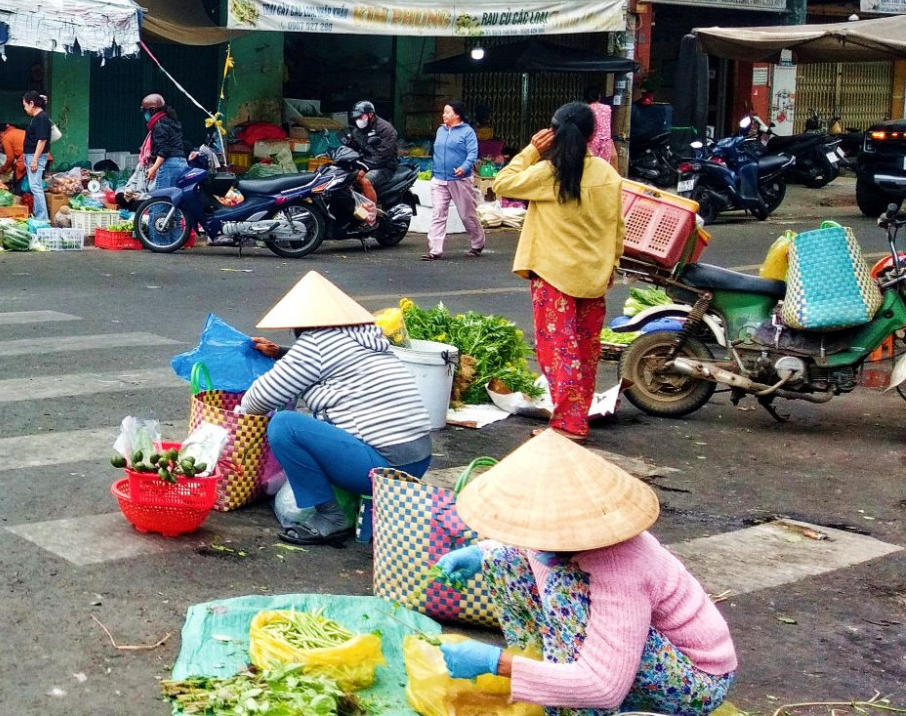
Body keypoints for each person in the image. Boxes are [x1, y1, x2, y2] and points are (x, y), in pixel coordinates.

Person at [433, 431, 736, 715]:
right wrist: (479, 554)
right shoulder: (563, 536)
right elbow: (527, 549)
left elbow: (604, 688)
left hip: (694, 679)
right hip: (635, 651)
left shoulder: (620, 567)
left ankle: (570, 704)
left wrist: (496, 663)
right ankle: (545, 674)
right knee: (502, 559)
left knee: (567, 590)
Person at [241, 271, 432, 546]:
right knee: (315, 423)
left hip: (384, 469)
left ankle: (330, 518)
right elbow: (332, 364)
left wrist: (233, 421)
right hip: (416, 460)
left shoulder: (316, 344)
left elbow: (257, 400)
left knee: (285, 425)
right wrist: (282, 353)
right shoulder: (365, 337)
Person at [492, 101, 624, 442]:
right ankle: (576, 417)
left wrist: (531, 151)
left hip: (553, 274)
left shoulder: (550, 173)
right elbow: (618, 228)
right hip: (594, 275)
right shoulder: (608, 175)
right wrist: (613, 265)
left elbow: (502, 183)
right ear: (593, 135)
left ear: (552, 133)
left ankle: (569, 424)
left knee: (558, 350)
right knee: (584, 349)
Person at [425, 102, 486, 261]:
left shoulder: (468, 132)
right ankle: (435, 250)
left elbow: (472, 154)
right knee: (438, 213)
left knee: (467, 214)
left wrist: (464, 167)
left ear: (457, 114)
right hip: (439, 178)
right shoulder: (440, 130)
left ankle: (477, 243)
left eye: (447, 112)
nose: (443, 115)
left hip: (460, 179)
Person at [345, 99, 399, 205]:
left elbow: (382, 156)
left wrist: (365, 168)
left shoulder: (386, 129)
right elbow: (354, 148)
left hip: (385, 166)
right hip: (365, 163)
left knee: (365, 181)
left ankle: (372, 214)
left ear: (370, 115)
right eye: (356, 118)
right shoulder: (357, 130)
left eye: (360, 117)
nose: (358, 120)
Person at [140, 93, 189, 191]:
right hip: (182, 163)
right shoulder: (172, 121)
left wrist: (154, 168)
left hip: (170, 165)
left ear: (152, 110)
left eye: (145, 111)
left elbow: (164, 149)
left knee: (161, 201)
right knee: (174, 201)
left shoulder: (159, 125)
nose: (145, 114)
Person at [22, 91, 52, 219]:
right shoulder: (38, 117)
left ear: (32, 103)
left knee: (36, 186)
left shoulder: (41, 118)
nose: (25, 108)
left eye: (25, 105)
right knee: (35, 186)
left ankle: (42, 218)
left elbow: (42, 140)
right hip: (32, 156)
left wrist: (34, 160)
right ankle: (38, 215)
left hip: (35, 157)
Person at [586, 84, 616, 169]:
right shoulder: (607, 108)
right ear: (598, 96)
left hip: (592, 140)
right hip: (606, 141)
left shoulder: (586, 109)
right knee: (604, 166)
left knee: (592, 165)